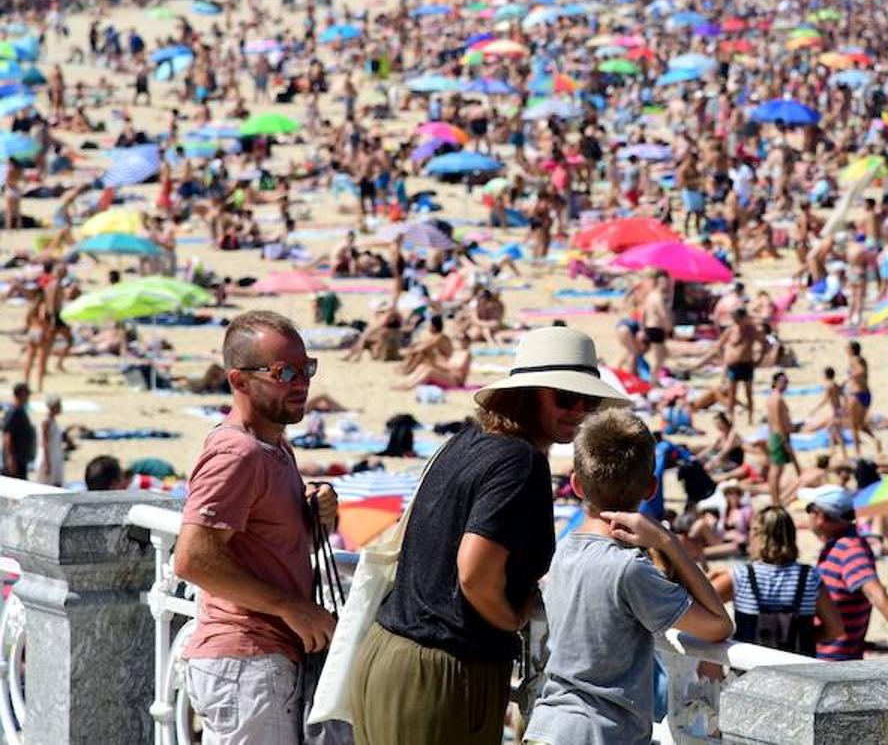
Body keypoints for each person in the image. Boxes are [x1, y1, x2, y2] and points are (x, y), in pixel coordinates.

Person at [350, 327, 627, 745]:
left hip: (390, 651)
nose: (579, 411)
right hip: (442, 669)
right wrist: (512, 620)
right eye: (566, 398)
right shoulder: (519, 462)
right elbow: (475, 573)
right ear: (527, 394)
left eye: (590, 401)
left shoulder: (466, 441)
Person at [174, 311, 337, 745]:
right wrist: (290, 607)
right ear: (240, 380)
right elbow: (193, 558)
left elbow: (255, 527)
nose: (301, 382)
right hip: (246, 663)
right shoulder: (238, 452)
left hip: (259, 664)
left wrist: (309, 506)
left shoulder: (272, 445)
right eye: (285, 372)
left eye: (307, 369)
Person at [523, 409, 733, 745]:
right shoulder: (629, 570)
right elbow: (719, 624)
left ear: (576, 484)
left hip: (548, 726)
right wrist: (668, 542)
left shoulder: (563, 553)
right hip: (602, 733)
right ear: (651, 488)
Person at [802, 484, 888, 660]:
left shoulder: (849, 549)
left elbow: (874, 590)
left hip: (832, 662)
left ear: (820, 516)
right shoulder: (839, 544)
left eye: (809, 509)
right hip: (828, 656)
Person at [712, 505, 844, 655]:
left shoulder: (741, 576)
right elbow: (835, 629)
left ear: (757, 535)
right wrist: (806, 638)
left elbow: (701, 606)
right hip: (796, 671)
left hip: (750, 671)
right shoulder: (809, 577)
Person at [764, 371, 802, 506]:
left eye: (786, 382)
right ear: (775, 382)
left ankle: (776, 500)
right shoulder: (777, 399)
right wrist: (784, 441)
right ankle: (775, 501)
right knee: (776, 471)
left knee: (777, 471)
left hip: (776, 436)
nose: (785, 385)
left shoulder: (772, 397)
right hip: (779, 437)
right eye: (783, 382)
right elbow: (778, 423)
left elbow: (771, 422)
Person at [2, 383, 35, 480]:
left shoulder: (20, 410)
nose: (28, 396)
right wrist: (10, 458)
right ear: (20, 394)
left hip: (21, 459)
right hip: (15, 460)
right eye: (27, 393)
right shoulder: (15, 411)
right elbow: (8, 435)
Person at [36, 394, 65, 487]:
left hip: (55, 457)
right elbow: (44, 443)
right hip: (48, 458)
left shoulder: (53, 421)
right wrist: (46, 463)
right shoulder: (46, 422)